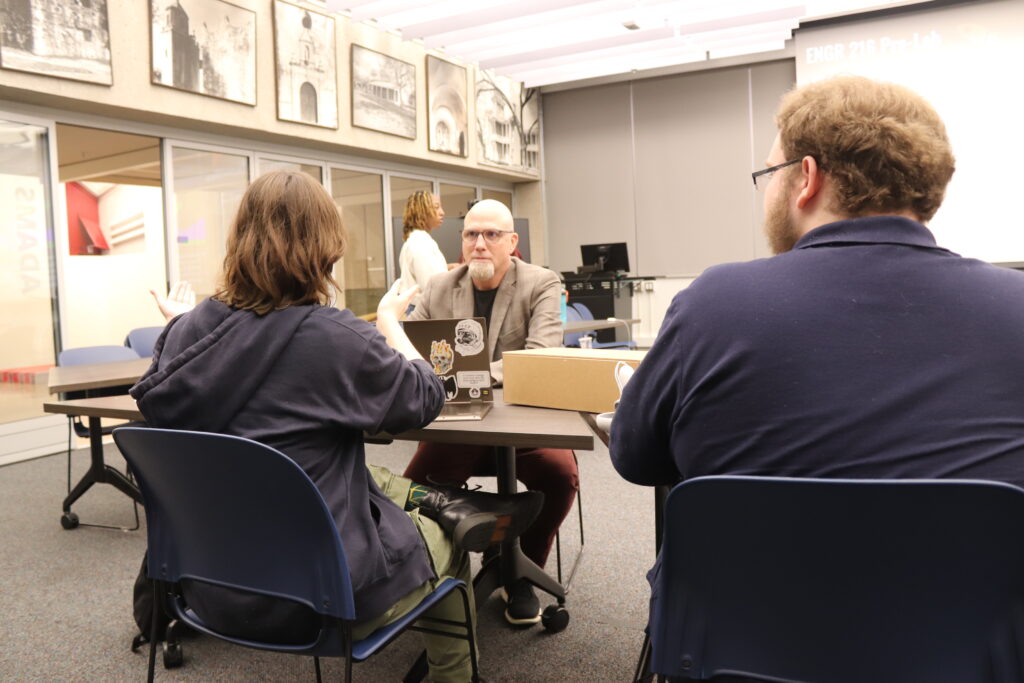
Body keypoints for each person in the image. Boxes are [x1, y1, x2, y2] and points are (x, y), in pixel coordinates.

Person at [611, 75, 1024, 624]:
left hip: (747, 644)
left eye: (768, 174)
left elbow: (636, 459)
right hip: (971, 648)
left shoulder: (715, 302)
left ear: (805, 178)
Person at [129, 171, 543, 683]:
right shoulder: (335, 337)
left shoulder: (184, 335)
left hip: (207, 585)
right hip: (322, 595)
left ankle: (435, 499)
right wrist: (391, 323)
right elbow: (425, 396)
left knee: (350, 474)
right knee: (451, 540)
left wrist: (185, 324)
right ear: (326, 245)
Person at [403, 199, 579, 626]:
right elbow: (410, 352)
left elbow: (541, 354)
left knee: (560, 475)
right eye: (470, 234)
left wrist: (462, 372)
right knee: (407, 493)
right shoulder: (440, 287)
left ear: (512, 241)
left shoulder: (541, 283)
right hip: (458, 428)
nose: (479, 244)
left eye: (492, 235)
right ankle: (429, 572)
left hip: (523, 431)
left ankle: (518, 572)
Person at [398, 190, 448, 308]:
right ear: (422, 211)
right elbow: (431, 286)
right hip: (424, 309)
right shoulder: (421, 243)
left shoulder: (416, 240)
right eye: (436, 207)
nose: (442, 212)